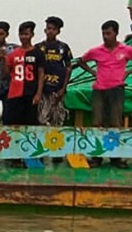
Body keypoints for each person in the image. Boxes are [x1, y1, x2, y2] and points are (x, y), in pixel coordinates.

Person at [80, 19, 132, 167]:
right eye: (103, 33)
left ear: (116, 33)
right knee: (97, 122)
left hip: (116, 89)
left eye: (108, 33)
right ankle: (97, 157)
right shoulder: (96, 51)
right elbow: (81, 61)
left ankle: (115, 157)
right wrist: (93, 72)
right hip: (99, 90)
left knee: (115, 123)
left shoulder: (125, 50)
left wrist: (127, 72)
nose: (105, 36)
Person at [2, 21, 45, 126]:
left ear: (32, 35)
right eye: (21, 34)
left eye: (26, 34)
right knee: (12, 122)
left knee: (30, 123)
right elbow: (6, 74)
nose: (24, 37)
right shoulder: (12, 53)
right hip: (15, 92)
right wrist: (4, 59)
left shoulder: (38, 53)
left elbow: (41, 74)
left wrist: (38, 93)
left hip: (31, 92)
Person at [36, 16, 73, 126]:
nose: (50, 31)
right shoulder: (38, 47)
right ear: (45, 30)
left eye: (53, 29)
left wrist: (63, 88)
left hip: (57, 90)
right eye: (48, 28)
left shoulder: (63, 47)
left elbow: (68, 67)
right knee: (41, 118)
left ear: (58, 31)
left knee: (57, 120)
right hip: (43, 90)